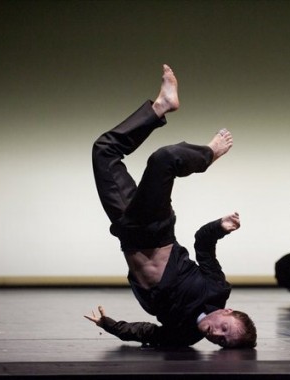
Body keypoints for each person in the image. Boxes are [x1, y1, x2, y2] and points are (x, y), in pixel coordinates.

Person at [85, 64, 257, 348]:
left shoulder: (184, 335)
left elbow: (149, 333)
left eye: (222, 341)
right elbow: (203, 245)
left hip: (127, 231)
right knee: (164, 159)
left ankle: (159, 108)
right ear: (227, 312)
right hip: (155, 230)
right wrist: (220, 227)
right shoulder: (216, 289)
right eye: (225, 328)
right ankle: (206, 154)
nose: (217, 334)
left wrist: (111, 326)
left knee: (104, 151)